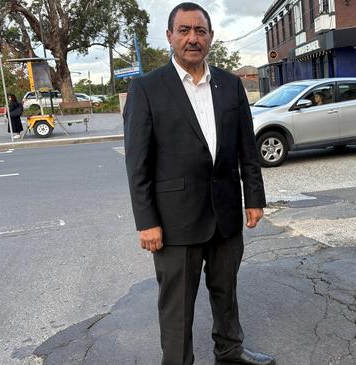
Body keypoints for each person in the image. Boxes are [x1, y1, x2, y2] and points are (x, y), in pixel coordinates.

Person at [123, 3, 275, 365]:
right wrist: (146, 222)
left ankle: (230, 352)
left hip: (224, 214)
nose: (193, 38)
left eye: (200, 31)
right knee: (177, 307)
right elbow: (137, 164)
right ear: (170, 37)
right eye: (184, 30)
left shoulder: (230, 84)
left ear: (210, 37)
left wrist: (253, 198)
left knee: (226, 292)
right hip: (174, 222)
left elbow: (247, 150)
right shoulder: (146, 88)